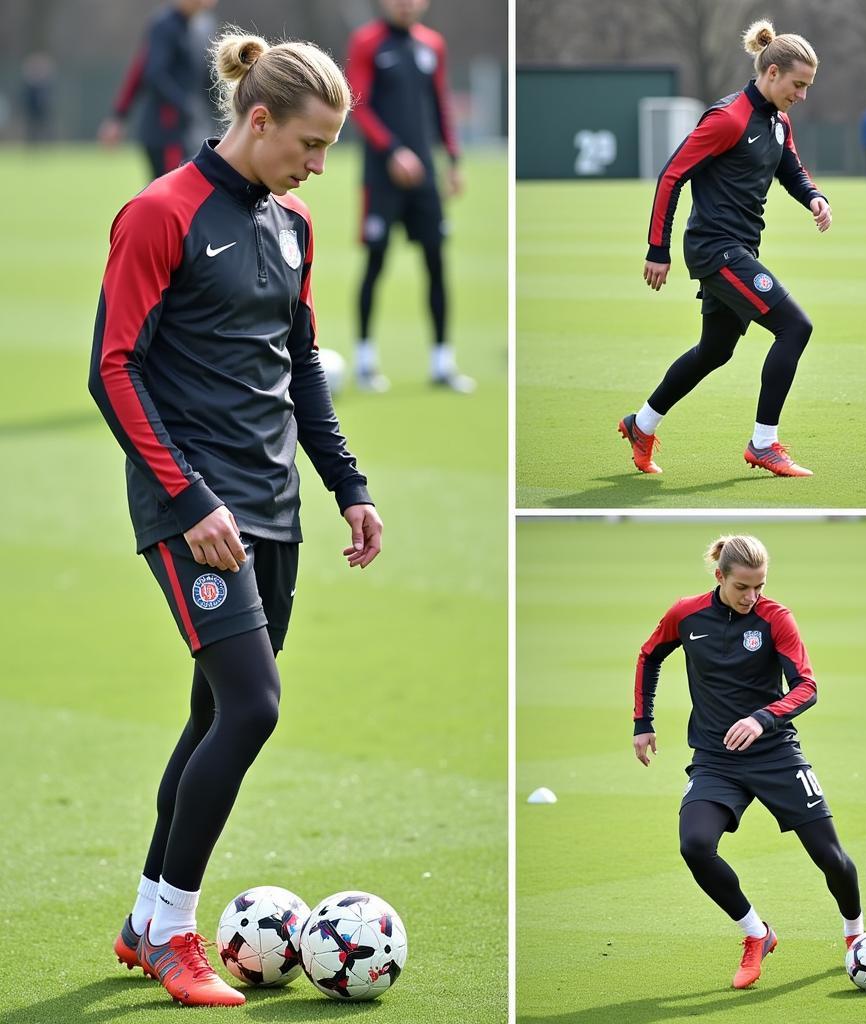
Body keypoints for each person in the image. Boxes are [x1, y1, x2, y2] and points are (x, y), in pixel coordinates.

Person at [88, 27, 383, 1007]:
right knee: (253, 704)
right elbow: (113, 368)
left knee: (216, 708)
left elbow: (299, 367)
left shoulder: (290, 226)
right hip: (191, 507)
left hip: (274, 504)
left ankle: (142, 919)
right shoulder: (160, 213)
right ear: (257, 120)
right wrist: (188, 497)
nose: (320, 165)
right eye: (310, 144)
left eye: (330, 148)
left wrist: (348, 485)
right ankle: (174, 932)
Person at [632, 535, 864, 989]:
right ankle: (756, 934)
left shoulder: (776, 618)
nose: (752, 596)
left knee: (831, 858)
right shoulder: (686, 614)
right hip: (716, 761)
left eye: (759, 586)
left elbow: (807, 687)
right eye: (743, 587)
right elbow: (648, 655)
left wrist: (763, 718)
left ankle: (855, 936)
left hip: (777, 755)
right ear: (719, 577)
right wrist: (643, 721)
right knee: (695, 846)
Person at [619, 19, 830, 479]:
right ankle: (764, 444)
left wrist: (814, 195)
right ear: (772, 74)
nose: (803, 94)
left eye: (808, 86)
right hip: (717, 249)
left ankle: (641, 424)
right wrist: (658, 248)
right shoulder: (728, 117)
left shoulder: (778, 120)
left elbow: (790, 169)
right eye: (798, 84)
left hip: (739, 247)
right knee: (795, 327)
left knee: (715, 350)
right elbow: (672, 175)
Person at [346, 0, 474, 393]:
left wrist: (452, 158)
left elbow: (440, 106)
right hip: (381, 178)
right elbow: (359, 106)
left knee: (436, 261)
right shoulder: (367, 42)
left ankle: (441, 363)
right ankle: (365, 361)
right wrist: (392, 151)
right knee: (376, 261)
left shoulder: (432, 44)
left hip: (424, 179)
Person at [98, 0, 219, 180]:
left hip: (194, 130)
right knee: (170, 193)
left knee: (194, 191)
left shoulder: (205, 26)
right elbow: (149, 73)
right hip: (166, 132)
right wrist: (118, 116)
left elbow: (210, 76)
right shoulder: (163, 25)